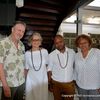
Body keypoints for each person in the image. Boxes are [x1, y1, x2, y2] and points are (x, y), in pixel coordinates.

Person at [0, 21, 26, 100]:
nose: (21, 33)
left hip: (21, 82)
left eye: (23, 31)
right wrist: (5, 85)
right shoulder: (2, 44)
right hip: (9, 84)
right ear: (12, 29)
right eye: (19, 30)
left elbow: (22, 63)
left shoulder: (22, 45)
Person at [48, 34, 75, 100]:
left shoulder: (72, 52)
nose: (59, 44)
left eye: (60, 42)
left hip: (69, 84)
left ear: (64, 41)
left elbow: (75, 66)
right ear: (54, 44)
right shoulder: (51, 55)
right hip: (56, 84)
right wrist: (49, 83)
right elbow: (49, 70)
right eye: (56, 43)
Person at [74, 34, 100, 100]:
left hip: (95, 87)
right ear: (78, 45)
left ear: (89, 43)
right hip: (81, 86)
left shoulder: (96, 52)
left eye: (85, 42)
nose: (82, 45)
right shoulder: (76, 55)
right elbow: (76, 70)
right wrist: (76, 82)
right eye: (80, 43)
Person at [24, 32, 49, 100]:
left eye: (38, 40)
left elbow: (47, 65)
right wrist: (25, 83)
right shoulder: (27, 54)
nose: (36, 42)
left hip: (43, 80)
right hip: (31, 81)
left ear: (40, 41)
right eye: (34, 40)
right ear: (31, 41)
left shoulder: (45, 51)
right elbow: (26, 69)